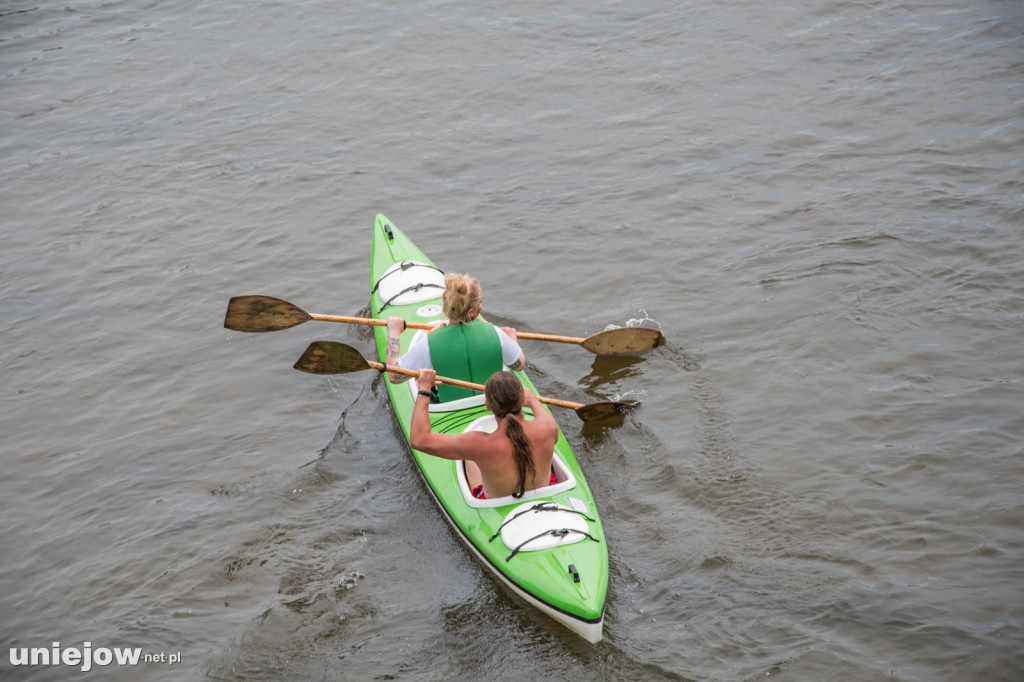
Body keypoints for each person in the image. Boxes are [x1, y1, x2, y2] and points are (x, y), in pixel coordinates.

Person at [410, 368, 558, 499]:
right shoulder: (548, 428)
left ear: (487, 404)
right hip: (545, 488)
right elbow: (542, 416)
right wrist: (533, 400)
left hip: (495, 500)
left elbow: (419, 440)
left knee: (470, 458)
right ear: (522, 400)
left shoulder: (476, 444)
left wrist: (424, 389)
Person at [385, 273, 525, 402]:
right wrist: (512, 338)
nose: (481, 307)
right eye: (479, 303)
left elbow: (394, 376)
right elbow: (518, 365)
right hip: (493, 403)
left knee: (419, 379)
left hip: (449, 408)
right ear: (471, 311)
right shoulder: (496, 333)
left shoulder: (429, 342)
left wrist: (393, 333)